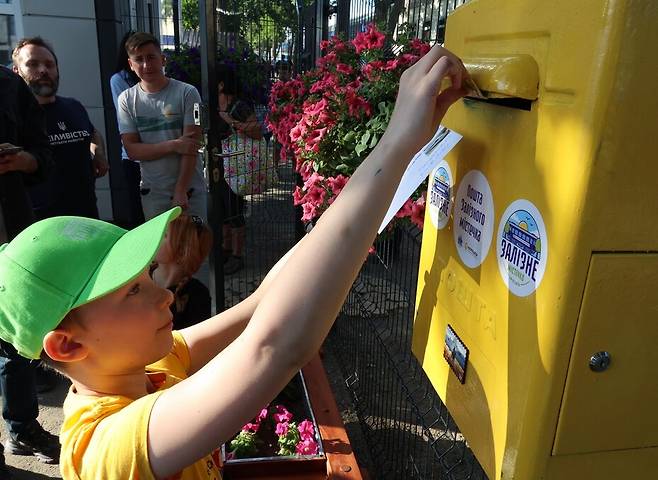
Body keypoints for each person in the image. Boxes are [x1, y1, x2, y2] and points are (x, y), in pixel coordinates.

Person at [0, 45, 468, 479]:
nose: (165, 292)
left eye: (145, 276)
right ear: (67, 345)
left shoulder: (151, 365)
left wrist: (378, 182)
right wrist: (396, 141)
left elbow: (261, 303)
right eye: (134, 291)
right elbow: (273, 346)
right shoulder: (106, 448)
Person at [0, 65, 59, 477]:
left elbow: (44, 156)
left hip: (10, 230)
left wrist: (25, 160)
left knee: (16, 342)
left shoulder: (8, 83)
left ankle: (21, 429)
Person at [12, 37, 108, 220]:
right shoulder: (13, 119)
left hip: (86, 217)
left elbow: (92, 133)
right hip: (41, 225)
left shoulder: (73, 107)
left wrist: (98, 152)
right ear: (16, 72)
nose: (43, 70)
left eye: (50, 65)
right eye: (33, 64)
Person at [117, 32, 207, 221]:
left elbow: (191, 145)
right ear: (130, 65)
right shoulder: (126, 100)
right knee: (162, 250)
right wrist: (174, 145)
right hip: (154, 194)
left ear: (163, 59)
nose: (146, 65)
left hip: (190, 192)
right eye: (138, 59)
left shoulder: (189, 94)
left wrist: (180, 190)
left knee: (195, 249)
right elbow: (132, 150)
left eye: (151, 57)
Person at [217, 65, 265, 274]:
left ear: (220, 84)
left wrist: (232, 123)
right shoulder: (211, 105)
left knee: (234, 210)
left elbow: (256, 131)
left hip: (236, 165)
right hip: (217, 164)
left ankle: (237, 256)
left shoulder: (237, 106)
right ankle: (225, 250)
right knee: (221, 211)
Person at [151, 214, 212, 329]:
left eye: (164, 235)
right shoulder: (140, 277)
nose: (154, 238)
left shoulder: (197, 295)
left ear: (182, 250)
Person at [110, 30, 145, 228]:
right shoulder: (119, 79)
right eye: (138, 57)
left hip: (157, 154)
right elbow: (130, 115)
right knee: (138, 207)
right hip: (134, 156)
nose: (145, 63)